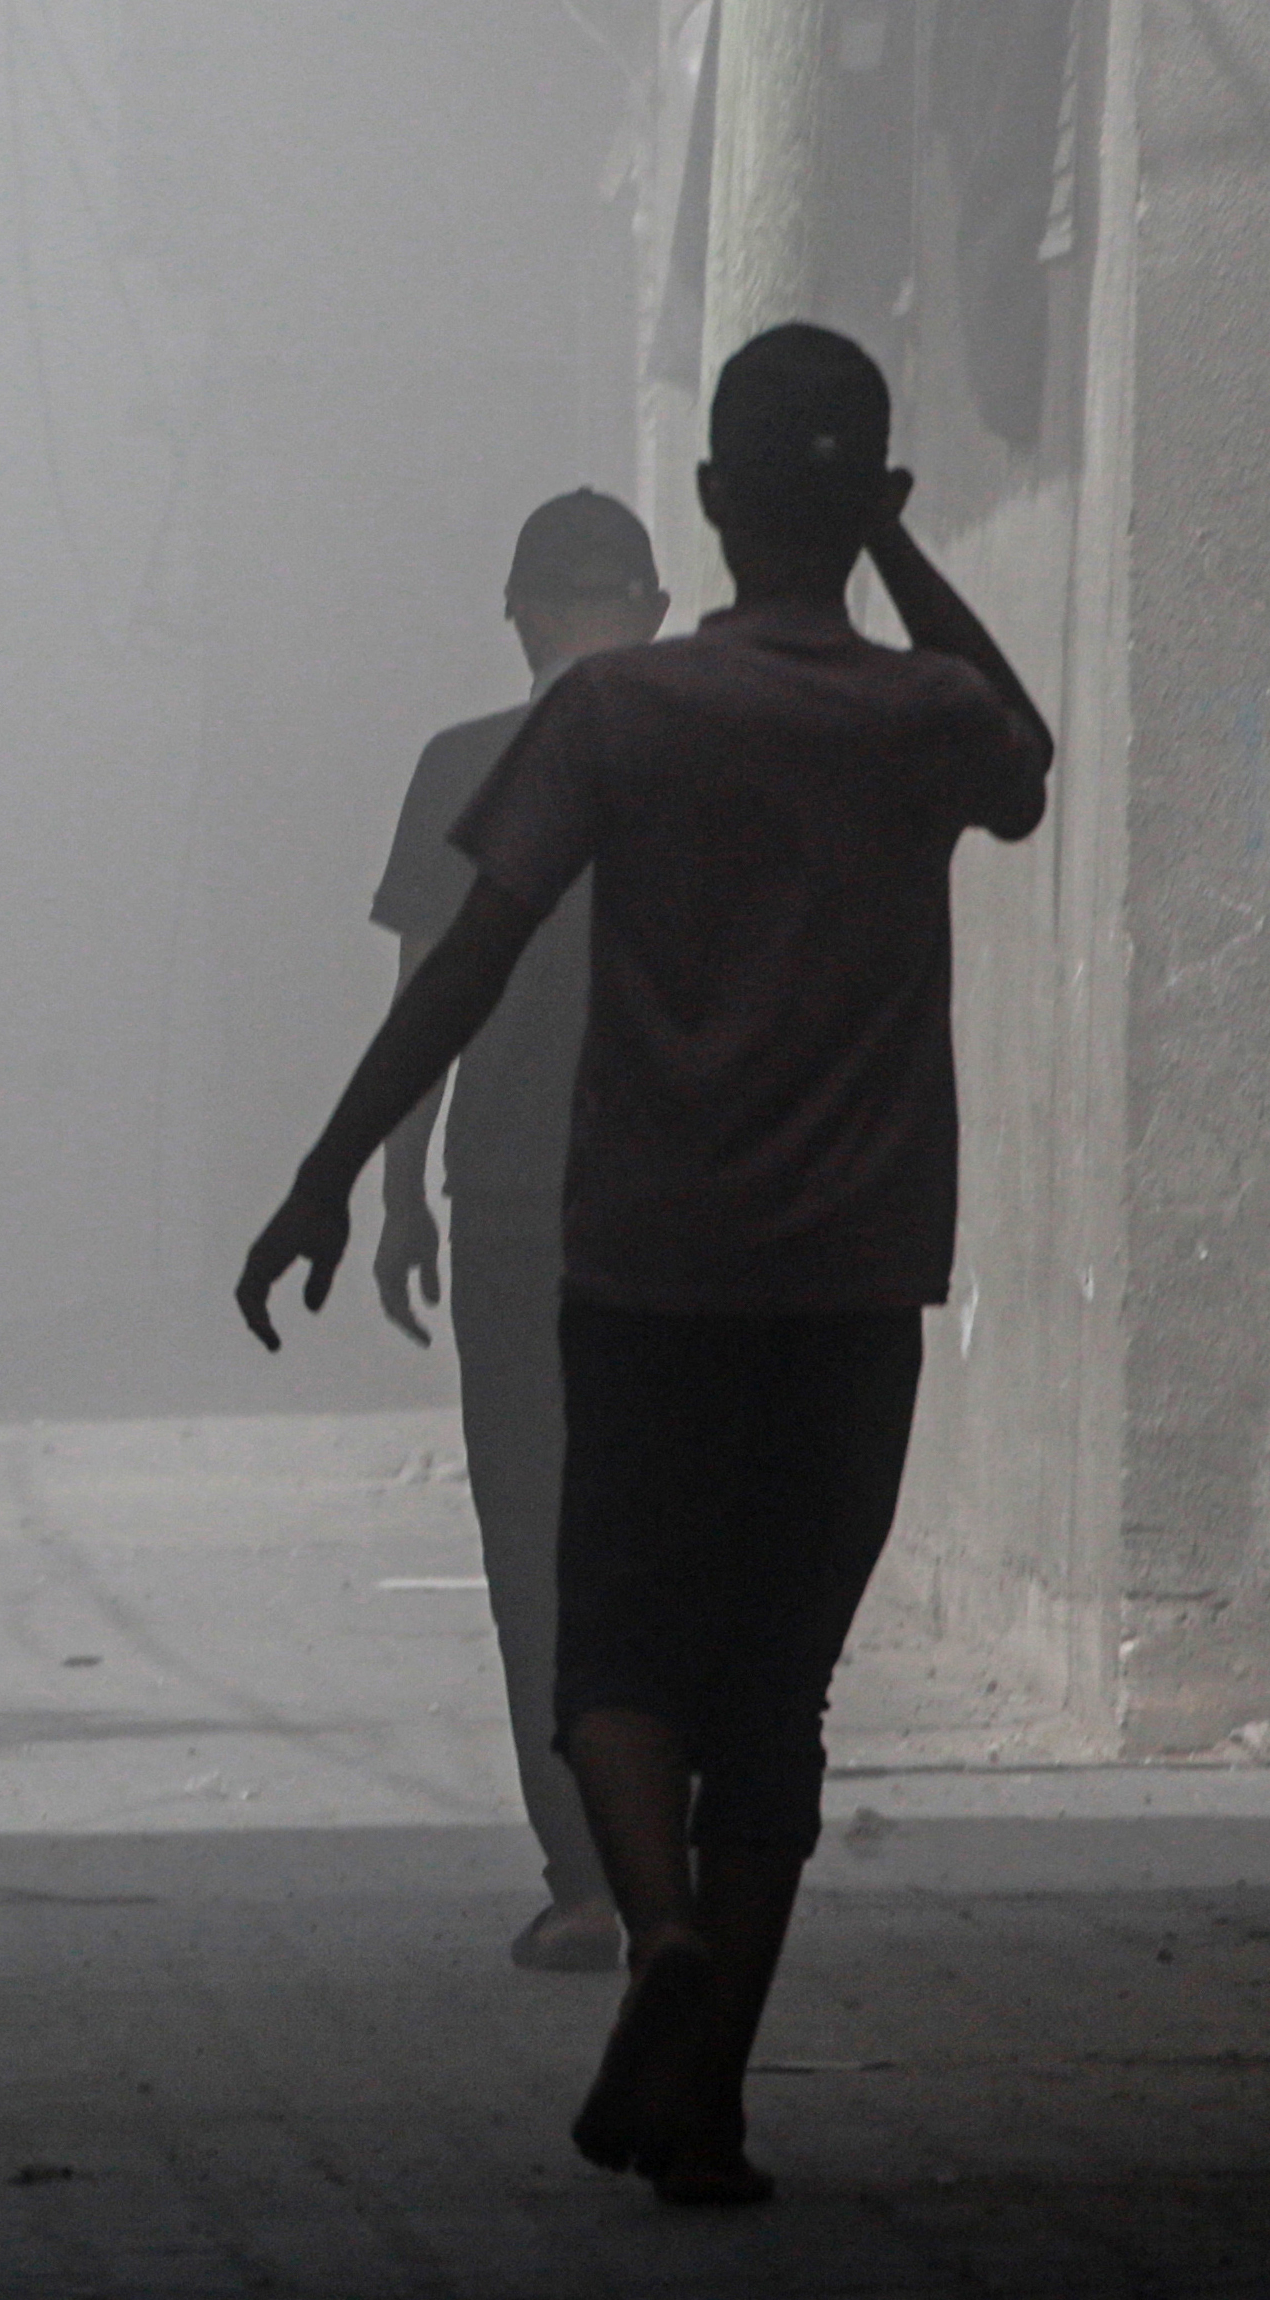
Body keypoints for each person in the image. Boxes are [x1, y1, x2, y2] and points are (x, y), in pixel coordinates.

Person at [236, 325, 1051, 2206]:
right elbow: (1023, 757)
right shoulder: (910, 716)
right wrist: (900, 553)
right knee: (778, 1693)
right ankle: (716, 2101)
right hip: (852, 1276)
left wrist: (333, 1169)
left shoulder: (613, 723)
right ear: (856, 504)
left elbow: (458, 964)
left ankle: (651, 1925)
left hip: (644, 1257)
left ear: (706, 510)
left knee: (606, 1630)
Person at [368, 490, 670, 1976]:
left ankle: (588, 1878)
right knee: (665, 1525)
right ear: (654, 612)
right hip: (678, 1206)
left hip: (507, 1204)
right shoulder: (710, 766)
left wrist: (385, 1191)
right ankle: (667, 1855)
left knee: (533, 1530)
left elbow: (430, 995)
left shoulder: (461, 766)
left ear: (522, 617)